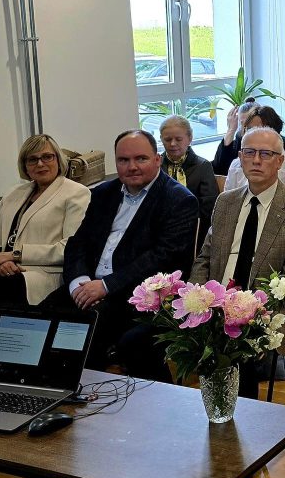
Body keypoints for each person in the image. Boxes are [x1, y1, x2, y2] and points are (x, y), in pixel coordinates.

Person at [50, 130, 198, 380]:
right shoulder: (103, 194)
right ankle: (38, 398)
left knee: (86, 333)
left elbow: (163, 258)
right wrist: (78, 283)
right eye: (123, 160)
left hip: (137, 294)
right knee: (36, 318)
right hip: (87, 287)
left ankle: (82, 399)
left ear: (157, 159)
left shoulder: (178, 200)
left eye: (141, 158)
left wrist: (106, 286)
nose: (132, 167)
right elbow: (78, 243)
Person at [192, 127, 285, 398]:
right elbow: (205, 258)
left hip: (263, 314)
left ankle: (243, 428)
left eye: (266, 154)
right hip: (217, 307)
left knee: (238, 358)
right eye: (249, 153)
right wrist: (196, 301)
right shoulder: (225, 203)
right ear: (239, 158)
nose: (257, 160)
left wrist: (252, 320)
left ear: (280, 161)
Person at [0, 134, 90, 306]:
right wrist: (2, 262)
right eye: (32, 159)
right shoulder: (13, 194)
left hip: (44, 274)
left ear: (58, 159)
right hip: (7, 270)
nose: (40, 164)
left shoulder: (76, 193)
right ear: (24, 166)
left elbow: (70, 248)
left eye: (47, 157)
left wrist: (13, 255)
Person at [159, 116, 219, 244]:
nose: (173, 144)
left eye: (178, 139)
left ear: (190, 139)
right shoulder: (156, 166)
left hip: (193, 230)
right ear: (161, 140)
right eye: (167, 139)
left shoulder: (203, 166)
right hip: (160, 227)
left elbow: (209, 207)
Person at [225, 105, 285, 193]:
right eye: (249, 130)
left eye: (260, 130)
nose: (253, 135)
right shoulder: (236, 166)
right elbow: (228, 202)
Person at [213, 97, 258, 174]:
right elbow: (219, 169)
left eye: (249, 126)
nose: (245, 130)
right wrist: (231, 130)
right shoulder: (238, 141)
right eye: (241, 124)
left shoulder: (276, 143)